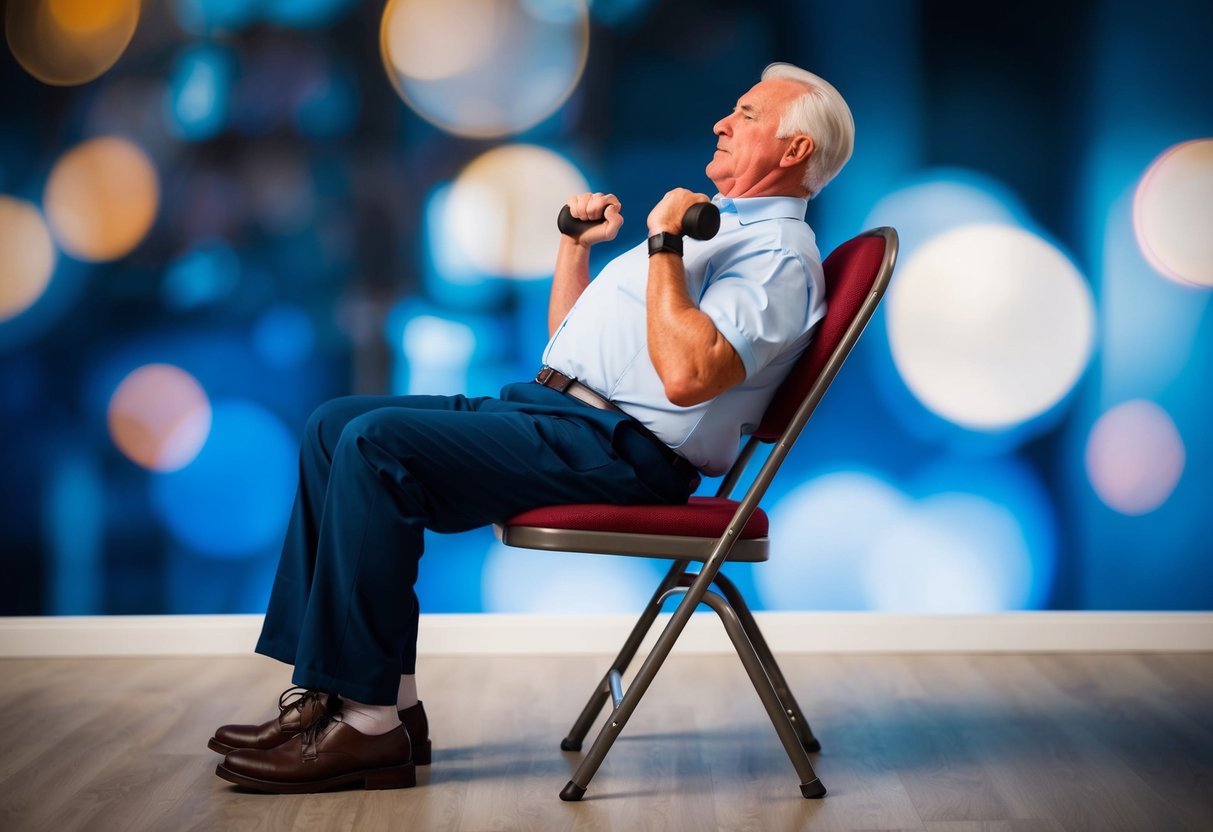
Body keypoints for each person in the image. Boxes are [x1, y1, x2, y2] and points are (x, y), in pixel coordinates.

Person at [210, 62, 854, 794]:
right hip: (559, 412)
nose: (721, 123)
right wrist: (575, 247)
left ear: (795, 150)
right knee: (336, 425)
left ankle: (365, 728)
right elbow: (569, 349)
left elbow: (687, 377)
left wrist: (666, 245)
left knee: (375, 444)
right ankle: (366, 701)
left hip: (620, 452)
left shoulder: (777, 260)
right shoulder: (720, 229)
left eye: (745, 113)